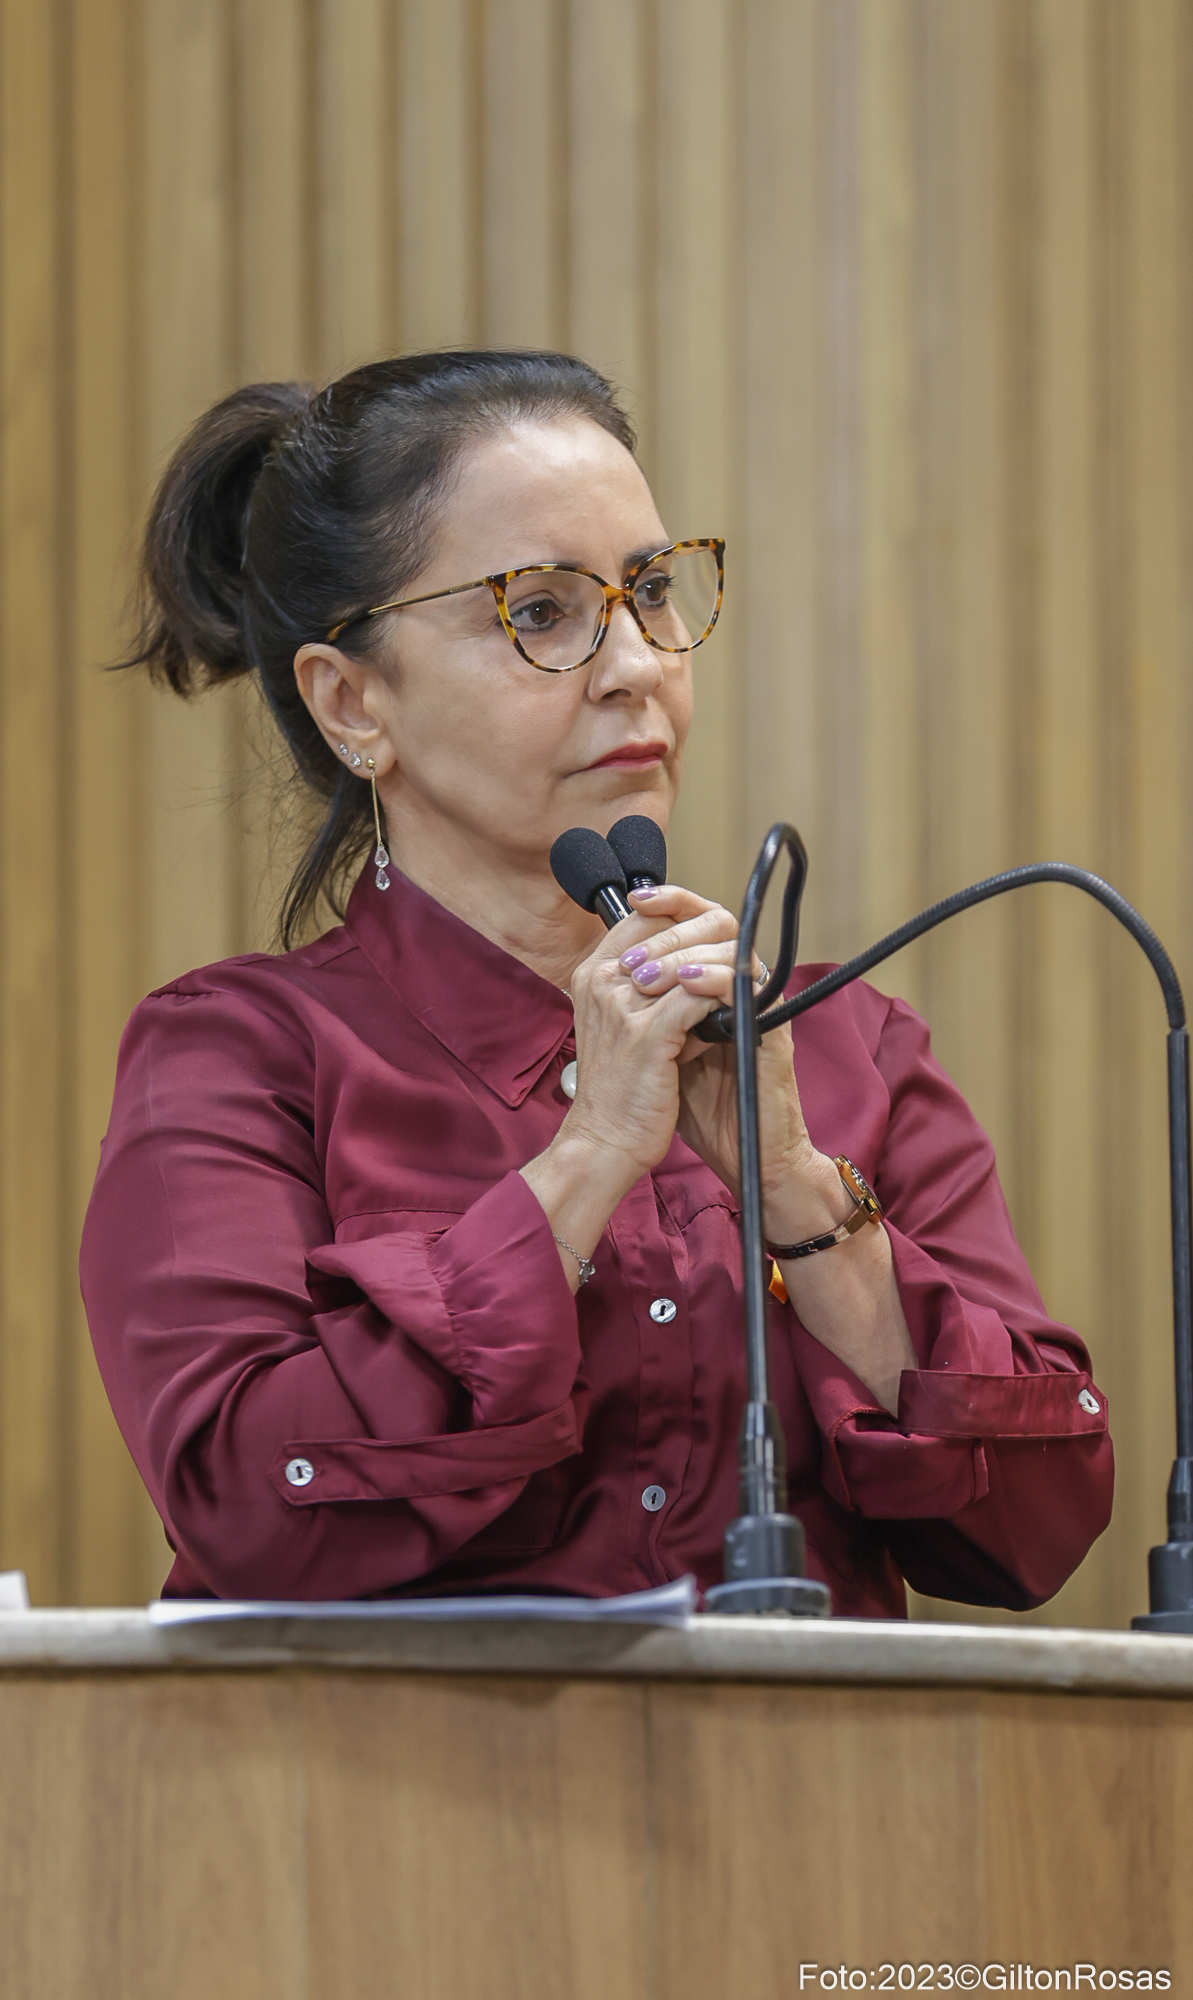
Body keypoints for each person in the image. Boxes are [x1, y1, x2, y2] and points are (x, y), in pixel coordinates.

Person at [81, 349, 1112, 1615]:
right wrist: (584, 1163)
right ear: (352, 702)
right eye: (539, 612)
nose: (637, 663)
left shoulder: (846, 1045)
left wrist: (797, 1190)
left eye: (652, 591)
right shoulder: (235, 1056)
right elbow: (247, 1504)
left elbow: (1041, 1527)